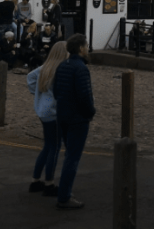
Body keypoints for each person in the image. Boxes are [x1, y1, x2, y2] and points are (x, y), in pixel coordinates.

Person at [53, 34, 96, 210]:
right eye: (86, 46)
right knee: (72, 158)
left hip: (62, 116)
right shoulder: (81, 69)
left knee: (69, 154)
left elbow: (56, 91)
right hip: (77, 119)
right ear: (80, 48)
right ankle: (64, 196)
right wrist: (90, 113)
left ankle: (64, 191)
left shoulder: (63, 65)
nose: (87, 49)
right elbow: (85, 96)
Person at [27, 41, 69, 197]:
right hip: (54, 112)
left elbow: (30, 78)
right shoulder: (61, 69)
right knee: (55, 148)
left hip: (43, 111)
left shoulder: (44, 68)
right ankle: (49, 183)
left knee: (47, 146)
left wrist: (37, 93)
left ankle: (35, 180)